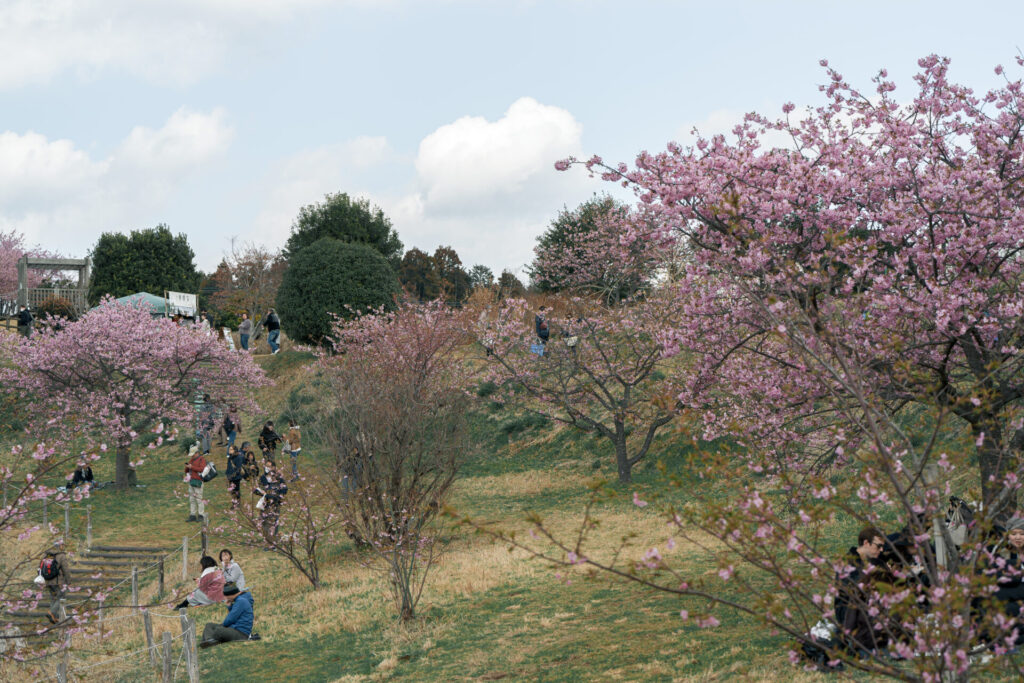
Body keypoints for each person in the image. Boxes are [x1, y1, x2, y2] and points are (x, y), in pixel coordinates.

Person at [834, 526, 896, 654]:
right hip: (849, 612)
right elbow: (852, 592)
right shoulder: (848, 563)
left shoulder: (875, 561)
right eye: (878, 546)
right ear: (866, 543)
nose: (881, 550)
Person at [199, 582, 254, 648]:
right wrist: (230, 606)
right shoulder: (239, 600)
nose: (226, 598)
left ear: (231, 594)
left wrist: (223, 626)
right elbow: (234, 616)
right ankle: (209, 641)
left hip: (241, 633)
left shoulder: (241, 601)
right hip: (235, 629)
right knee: (209, 625)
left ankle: (210, 641)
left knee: (219, 630)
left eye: (226, 596)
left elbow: (230, 620)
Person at [256, 461, 288, 542]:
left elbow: (284, 489)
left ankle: (273, 540)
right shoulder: (263, 478)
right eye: (266, 466)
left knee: (274, 523)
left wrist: (275, 496)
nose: (267, 468)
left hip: (275, 504)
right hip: (265, 504)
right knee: (264, 523)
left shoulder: (279, 478)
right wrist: (260, 492)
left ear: (273, 467)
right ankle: (268, 540)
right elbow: (257, 488)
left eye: (269, 466)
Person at [40, 544, 71, 623]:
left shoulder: (45, 555)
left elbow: (39, 568)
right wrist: (68, 581)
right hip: (58, 582)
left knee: (53, 598)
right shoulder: (61, 555)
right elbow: (66, 570)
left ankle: (53, 617)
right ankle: (52, 613)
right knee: (61, 597)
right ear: (60, 546)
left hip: (48, 581)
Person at [184, 444, 207, 522]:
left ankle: (201, 515)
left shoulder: (202, 459)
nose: (192, 456)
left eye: (193, 455)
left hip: (198, 481)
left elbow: (202, 469)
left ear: (197, 453)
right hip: (191, 481)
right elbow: (187, 470)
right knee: (192, 499)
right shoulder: (191, 460)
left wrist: (192, 467)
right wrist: (187, 467)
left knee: (199, 499)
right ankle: (192, 514)